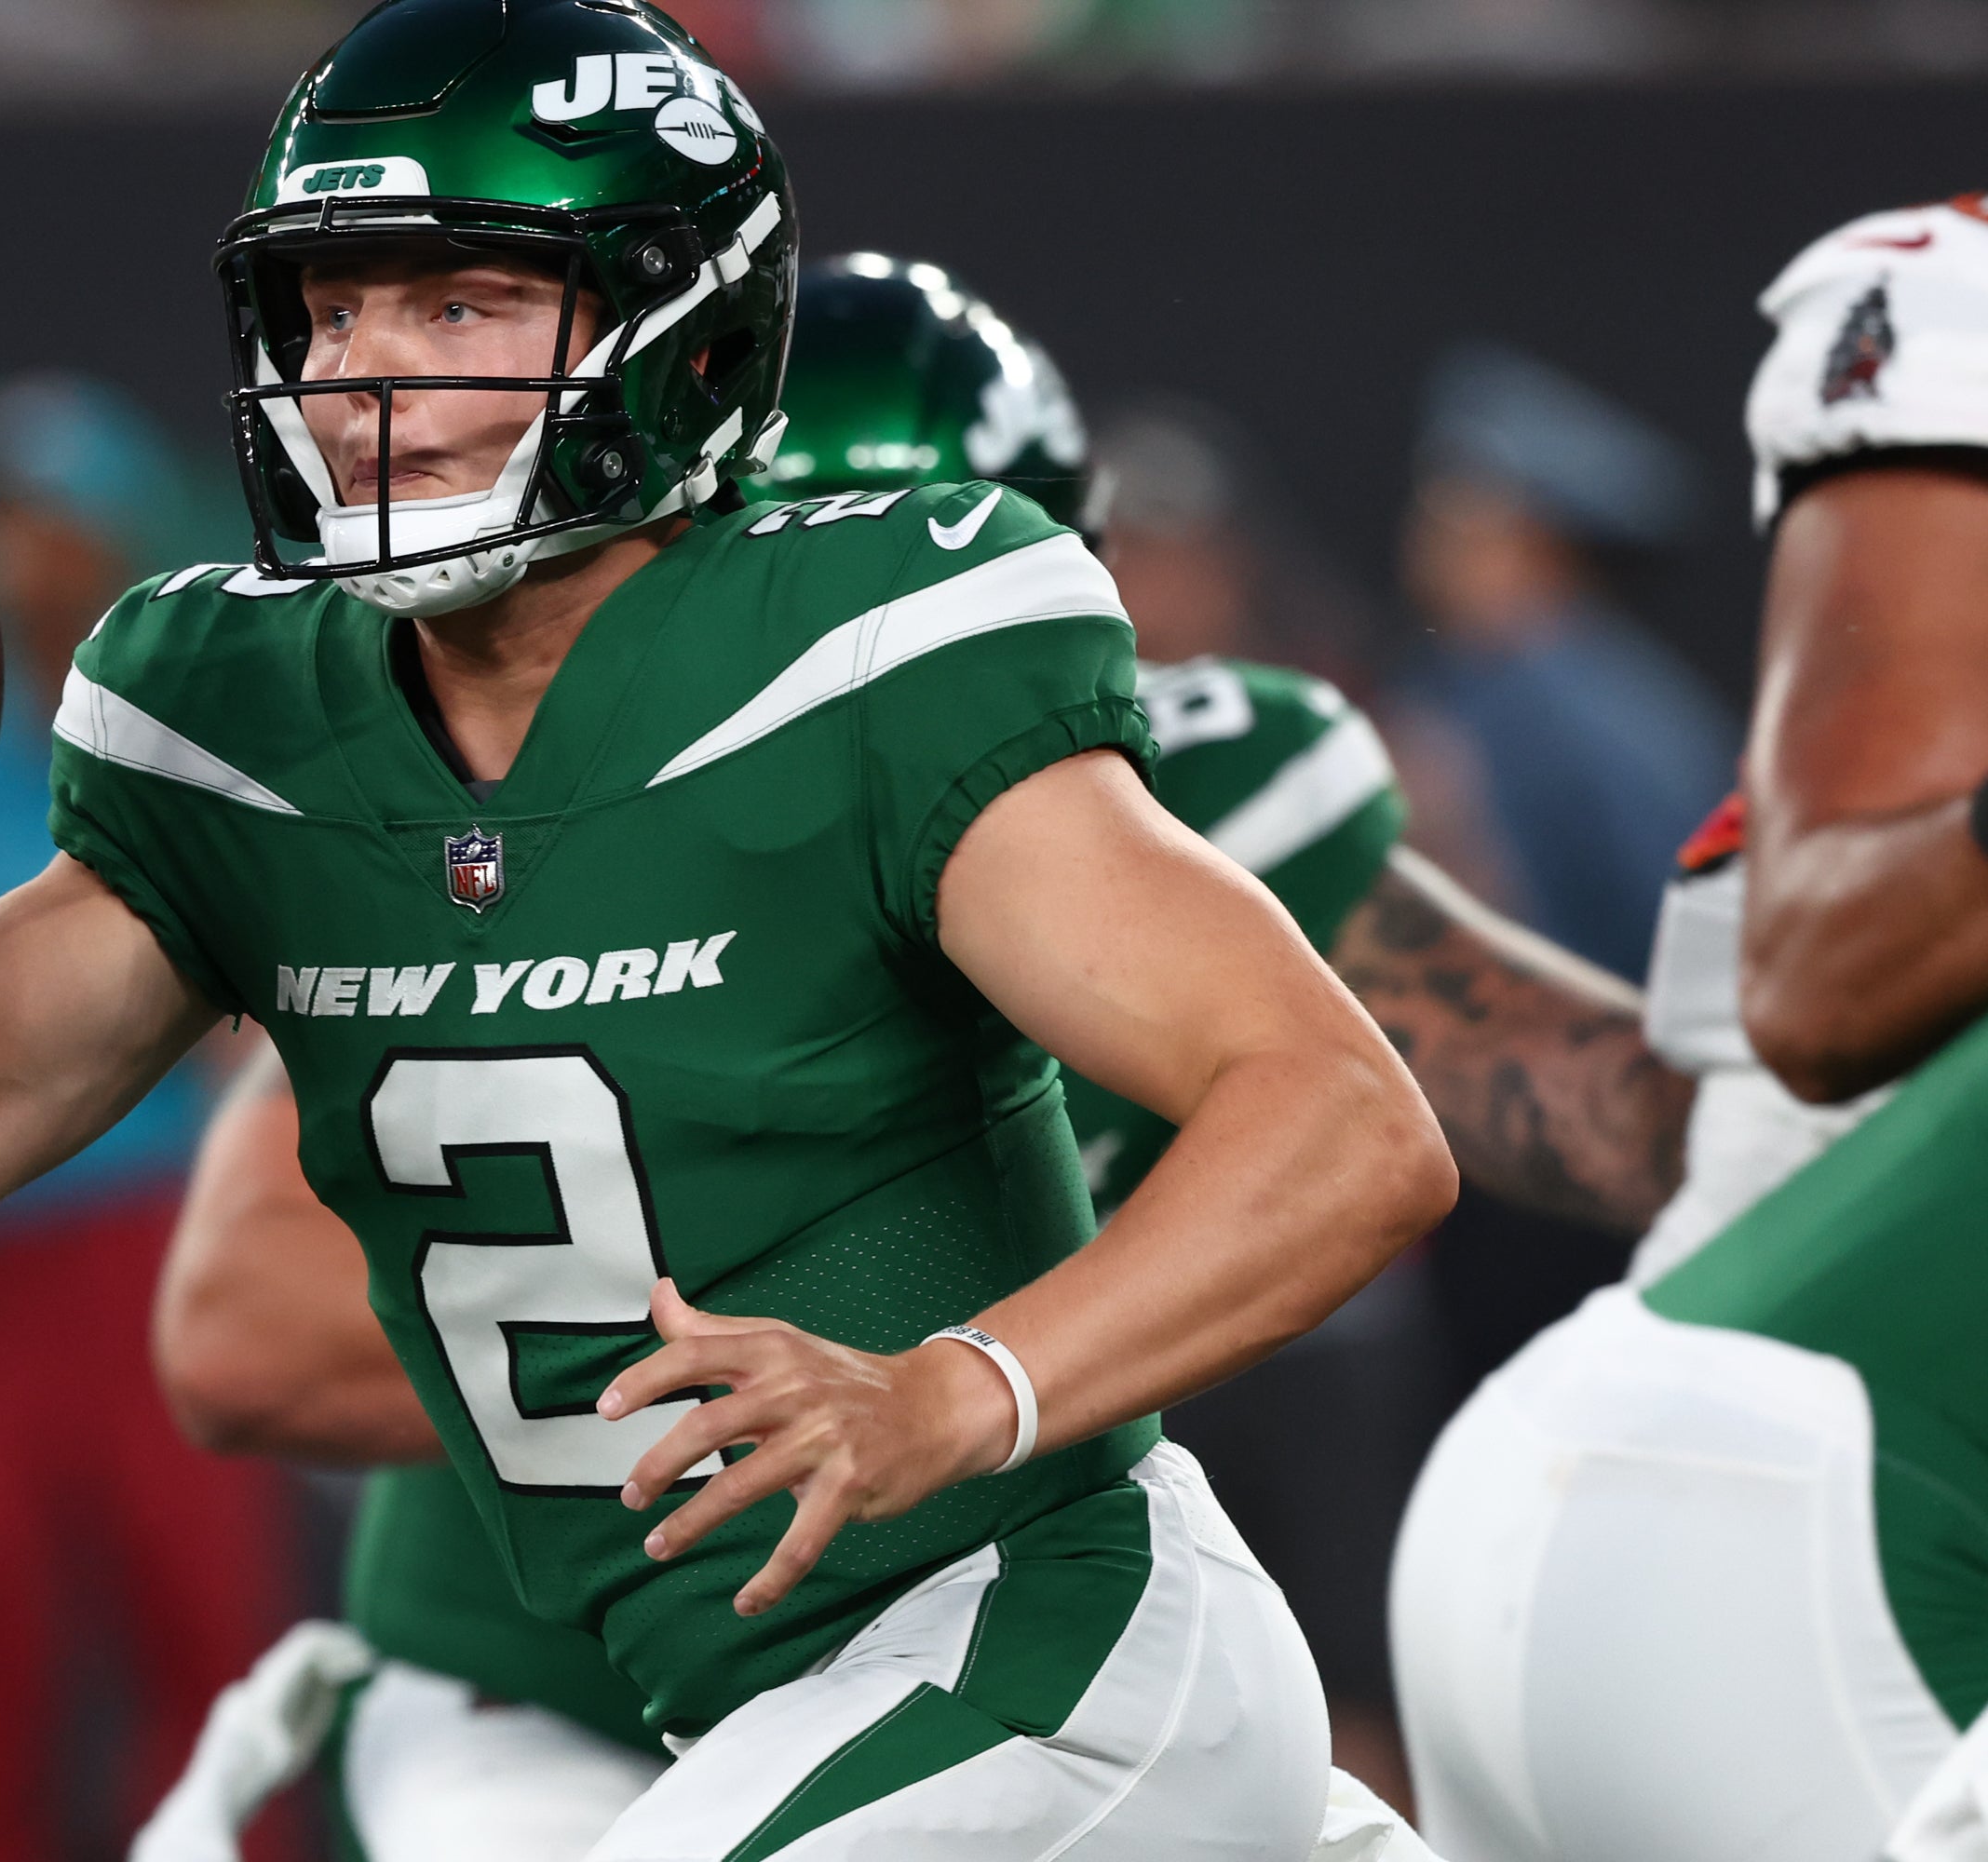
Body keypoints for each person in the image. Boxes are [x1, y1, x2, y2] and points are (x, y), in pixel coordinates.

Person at [0, 5, 1466, 1854]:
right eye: (328, 311)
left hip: (1041, 1651)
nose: (361, 377)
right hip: (750, 1716)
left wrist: (955, 1393)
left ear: (682, 325)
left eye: (456, 305)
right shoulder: (244, 728)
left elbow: (1343, 1120)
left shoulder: (859, 658)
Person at [129, 253, 1697, 1861]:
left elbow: (1616, 1111)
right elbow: (242, 1337)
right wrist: (726, 1324)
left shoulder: (1164, 810)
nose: (908, 684)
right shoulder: (493, 829)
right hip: (557, 1704)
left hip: (991, 1649)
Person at [1388, 190, 1988, 1862]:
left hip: (1723, 1474)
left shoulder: (1587, 701)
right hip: (1820, 1518)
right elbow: (1823, 980)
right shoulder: (1961, 308)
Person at [0, 375, 295, 1862]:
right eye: (1, 519)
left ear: (108, 548)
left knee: (209, 1639)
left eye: (51, 522)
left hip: (159, 1258)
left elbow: (254, 1015)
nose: (20, 551)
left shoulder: (199, 743)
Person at [1392, 342, 1738, 983]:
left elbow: (1679, 937)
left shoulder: (1595, 712)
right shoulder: (1470, 678)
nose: (1429, 531)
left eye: (1458, 510)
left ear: (1535, 539)